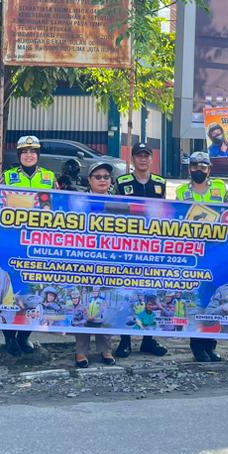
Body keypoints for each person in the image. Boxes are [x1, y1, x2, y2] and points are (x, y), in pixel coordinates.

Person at [176, 151, 228, 362]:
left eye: (203, 167)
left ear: (209, 169)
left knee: (215, 298)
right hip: (193, 254)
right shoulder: (181, 192)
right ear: (189, 169)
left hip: (216, 252)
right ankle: (197, 346)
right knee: (196, 300)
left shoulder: (220, 188)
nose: (199, 170)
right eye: (195, 166)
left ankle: (211, 345)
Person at [0, 135, 55, 355]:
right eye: (24, 152)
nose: (29, 155)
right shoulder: (8, 176)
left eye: (33, 152)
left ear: (38, 155)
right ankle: (9, 337)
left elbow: (56, 205)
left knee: (33, 289)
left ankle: (24, 336)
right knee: (9, 290)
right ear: (19, 155)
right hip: (12, 241)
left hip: (37, 242)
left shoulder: (49, 177)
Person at [115, 142, 169, 357]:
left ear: (151, 159)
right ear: (133, 159)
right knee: (127, 294)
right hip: (128, 247)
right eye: (139, 155)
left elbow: (166, 212)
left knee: (150, 294)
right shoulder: (122, 183)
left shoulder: (160, 183)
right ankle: (125, 340)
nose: (143, 159)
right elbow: (114, 212)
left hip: (152, 248)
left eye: (146, 155)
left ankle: (148, 339)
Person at [75, 160, 118, 367]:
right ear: (89, 180)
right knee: (85, 305)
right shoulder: (79, 202)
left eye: (106, 177)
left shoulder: (120, 204)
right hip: (85, 260)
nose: (102, 180)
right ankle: (81, 352)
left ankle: (106, 349)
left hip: (109, 261)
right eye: (98, 177)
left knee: (105, 305)